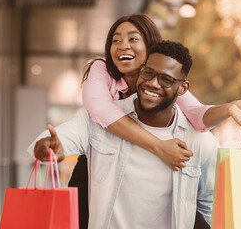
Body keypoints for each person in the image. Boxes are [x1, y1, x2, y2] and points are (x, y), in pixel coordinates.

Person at [70, 14, 241, 228]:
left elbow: (197, 114)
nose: (123, 46)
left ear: (151, 48)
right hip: (100, 164)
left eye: (133, 39)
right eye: (116, 40)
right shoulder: (102, 69)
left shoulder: (163, 80)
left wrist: (229, 108)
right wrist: (160, 147)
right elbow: (99, 108)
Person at [29, 40, 219, 228]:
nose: (153, 83)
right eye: (148, 73)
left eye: (166, 79)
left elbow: (207, 207)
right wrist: (48, 147)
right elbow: (52, 141)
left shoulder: (200, 142)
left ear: (182, 88)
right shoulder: (97, 121)